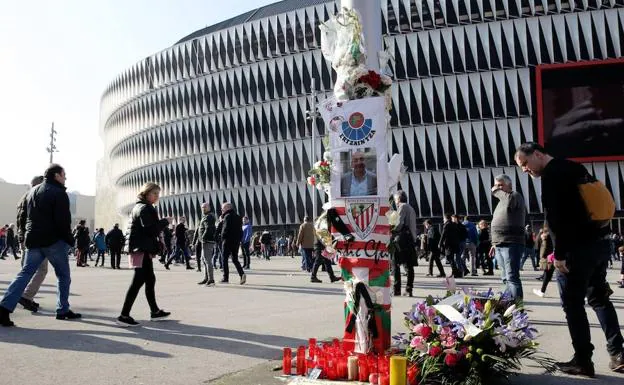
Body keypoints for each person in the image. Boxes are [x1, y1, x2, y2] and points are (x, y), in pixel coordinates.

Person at [515, 142, 624, 375]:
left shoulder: (552, 175)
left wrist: (560, 255)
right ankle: (618, 353)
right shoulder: (575, 168)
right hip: (599, 245)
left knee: (573, 305)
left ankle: (583, 360)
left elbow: (557, 219)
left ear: (537, 154)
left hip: (576, 251)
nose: (524, 169)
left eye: (524, 163)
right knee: (600, 298)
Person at [0, 164, 81, 327]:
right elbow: (63, 221)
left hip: (33, 241)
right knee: (63, 276)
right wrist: (70, 241)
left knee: (25, 274)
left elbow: (26, 218)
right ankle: (63, 309)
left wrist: (25, 237)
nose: (65, 178)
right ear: (57, 175)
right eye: (64, 175)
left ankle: (3, 309)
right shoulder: (59, 193)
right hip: (53, 242)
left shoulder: (32, 192)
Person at [116, 182, 171, 327]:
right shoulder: (144, 208)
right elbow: (150, 230)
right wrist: (165, 222)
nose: (157, 197)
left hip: (141, 248)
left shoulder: (141, 206)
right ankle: (124, 315)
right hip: (140, 249)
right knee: (138, 281)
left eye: (158, 194)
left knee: (150, 279)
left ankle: (155, 311)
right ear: (146, 193)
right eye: (154, 193)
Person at [489, 174, 526, 301]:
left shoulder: (514, 196)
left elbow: (508, 201)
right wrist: (494, 244)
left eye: (500, 185)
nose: (497, 188)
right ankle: (509, 303)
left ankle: (517, 306)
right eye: (496, 185)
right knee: (505, 277)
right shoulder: (502, 201)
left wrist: (496, 192)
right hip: (500, 243)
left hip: (511, 243)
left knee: (512, 277)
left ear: (509, 185)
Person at [15, 175, 45, 312]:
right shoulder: (35, 197)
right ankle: (26, 296)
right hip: (34, 239)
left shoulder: (23, 197)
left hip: (24, 239)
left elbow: (19, 221)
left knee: (26, 271)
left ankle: (23, 297)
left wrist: (21, 239)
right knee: (41, 270)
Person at [391, 191, 418, 297]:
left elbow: (399, 223)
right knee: (409, 266)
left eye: (396, 199)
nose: (395, 202)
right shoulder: (411, 208)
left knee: (395, 264)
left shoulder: (402, 207)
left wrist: (391, 229)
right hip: (410, 239)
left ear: (398, 198)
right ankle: (409, 289)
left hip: (401, 238)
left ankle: (396, 289)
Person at [220, 202, 246, 284]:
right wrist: (239, 240)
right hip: (236, 242)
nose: (222, 210)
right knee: (235, 259)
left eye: (223, 208)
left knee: (224, 259)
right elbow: (240, 231)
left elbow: (225, 229)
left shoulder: (227, 217)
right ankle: (241, 274)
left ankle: (225, 278)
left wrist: (222, 237)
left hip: (227, 241)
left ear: (228, 208)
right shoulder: (238, 217)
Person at [195, 203, 216, 286]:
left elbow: (208, 228)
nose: (203, 209)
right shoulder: (205, 216)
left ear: (209, 208)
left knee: (207, 260)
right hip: (205, 241)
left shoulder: (209, 216)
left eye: (205, 207)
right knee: (204, 260)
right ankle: (206, 278)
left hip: (207, 241)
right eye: (202, 207)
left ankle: (211, 280)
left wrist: (203, 238)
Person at [533, 224, 554, 297]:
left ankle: (542, 291)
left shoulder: (546, 236)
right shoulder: (553, 234)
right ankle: (542, 290)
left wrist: (542, 257)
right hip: (554, 255)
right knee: (548, 274)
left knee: (547, 274)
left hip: (549, 257)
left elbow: (544, 247)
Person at [439, 214, 462, 278]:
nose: (443, 220)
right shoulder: (454, 224)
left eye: (443, 218)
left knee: (449, 257)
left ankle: (456, 272)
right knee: (451, 258)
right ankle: (456, 272)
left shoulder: (446, 224)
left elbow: (443, 234)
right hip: (455, 243)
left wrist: (440, 243)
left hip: (449, 244)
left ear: (446, 218)